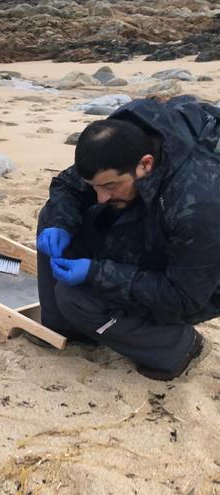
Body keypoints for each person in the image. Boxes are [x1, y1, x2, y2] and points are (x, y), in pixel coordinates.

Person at [35, 95, 220, 380]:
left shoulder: (196, 203)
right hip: (152, 221)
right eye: (95, 187)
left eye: (110, 186)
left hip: (201, 283)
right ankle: (67, 329)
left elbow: (184, 297)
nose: (101, 197)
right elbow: (67, 185)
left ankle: (177, 348)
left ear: (145, 164)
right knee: (52, 216)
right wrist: (59, 224)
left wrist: (95, 273)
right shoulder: (122, 142)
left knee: (78, 298)